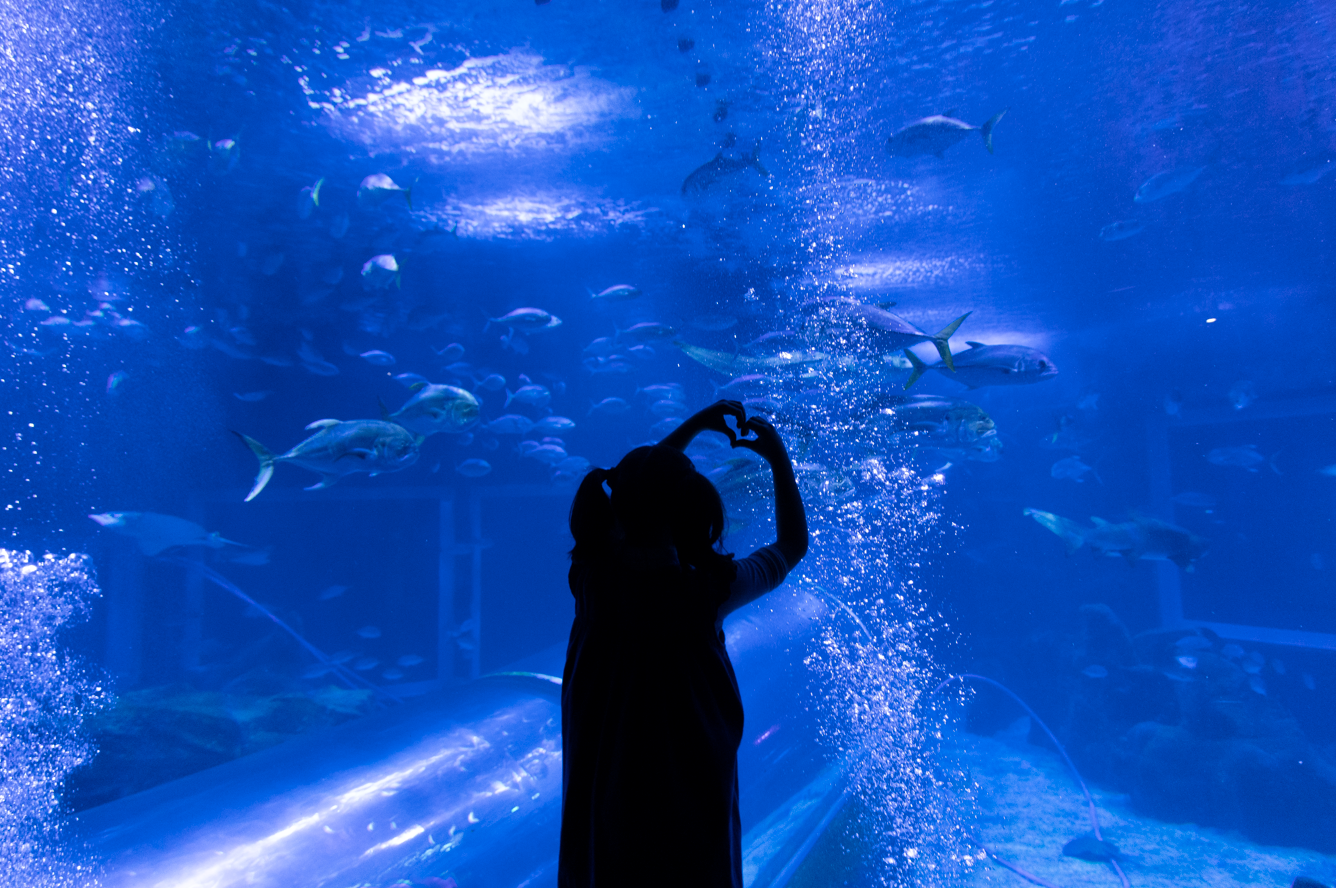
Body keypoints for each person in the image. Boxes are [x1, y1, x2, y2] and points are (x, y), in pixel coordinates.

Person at [559, 400, 809, 888]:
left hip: (604, 795)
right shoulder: (709, 592)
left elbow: (644, 492)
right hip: (687, 799)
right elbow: (791, 546)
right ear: (697, 513)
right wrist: (778, 459)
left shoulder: (590, 577)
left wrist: (693, 427)